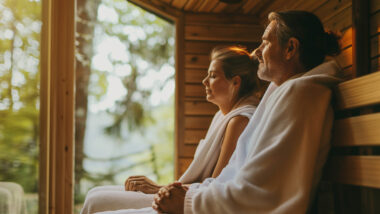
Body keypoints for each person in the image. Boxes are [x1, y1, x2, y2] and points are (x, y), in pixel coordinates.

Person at [147, 10, 343, 214]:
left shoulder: (301, 95)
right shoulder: (285, 92)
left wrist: (188, 202)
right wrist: (187, 193)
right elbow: (237, 176)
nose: (255, 52)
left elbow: (264, 193)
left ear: (290, 48)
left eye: (265, 43)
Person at [80, 46, 263, 213]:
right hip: (190, 192)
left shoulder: (240, 121)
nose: (204, 81)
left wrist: (159, 188)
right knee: (94, 193)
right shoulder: (222, 117)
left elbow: (215, 186)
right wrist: (161, 187)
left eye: (213, 76)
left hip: (196, 200)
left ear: (235, 82)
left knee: (97, 200)